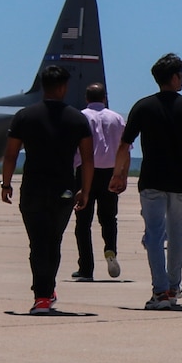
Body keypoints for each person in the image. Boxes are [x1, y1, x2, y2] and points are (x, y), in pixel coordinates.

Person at [110, 53, 182, 310]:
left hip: (152, 181)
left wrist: (118, 174)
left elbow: (124, 144)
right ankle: (174, 286)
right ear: (174, 77)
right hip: (180, 183)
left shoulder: (143, 107)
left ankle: (161, 290)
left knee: (154, 236)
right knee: (178, 235)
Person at [0, 65, 94, 313]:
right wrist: (85, 189)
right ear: (63, 87)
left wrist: (6, 183)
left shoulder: (24, 116)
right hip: (63, 189)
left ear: (43, 85)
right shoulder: (77, 118)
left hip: (32, 189)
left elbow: (10, 155)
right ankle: (45, 291)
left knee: (37, 243)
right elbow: (87, 159)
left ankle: (42, 294)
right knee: (54, 241)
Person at [71, 84, 126, 283]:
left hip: (85, 172)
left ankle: (86, 268)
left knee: (83, 222)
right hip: (110, 172)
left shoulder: (80, 116)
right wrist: (122, 175)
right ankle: (110, 248)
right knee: (109, 217)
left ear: (86, 98)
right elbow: (124, 149)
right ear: (105, 97)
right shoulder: (117, 118)